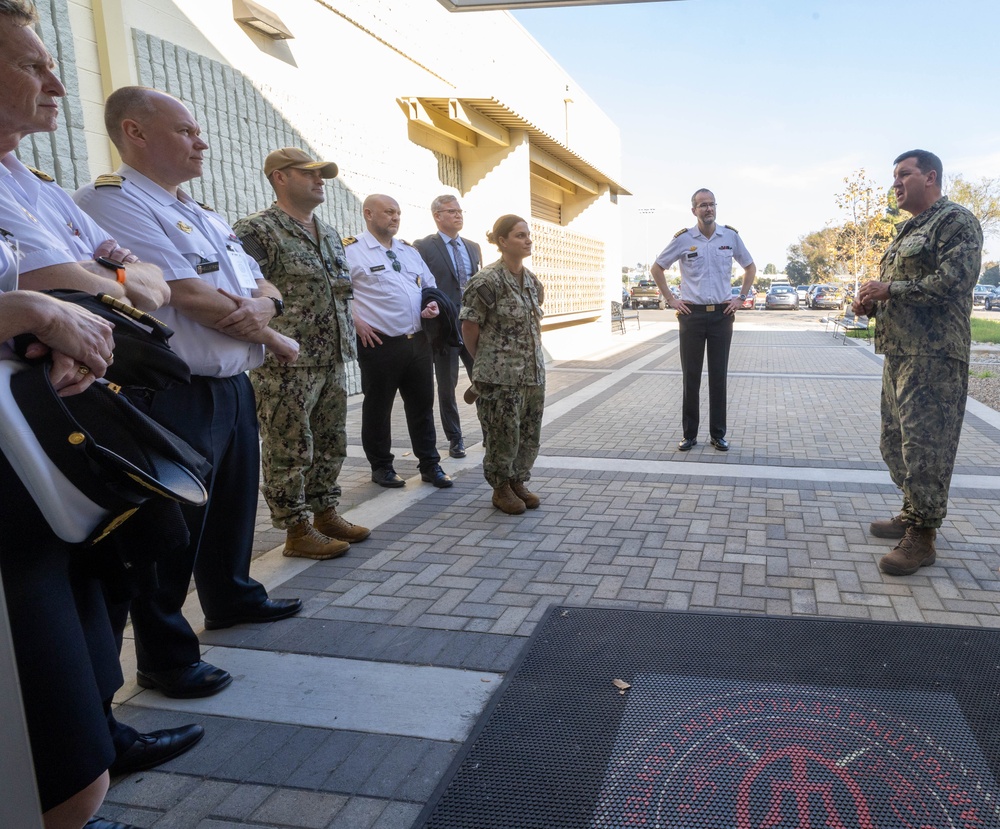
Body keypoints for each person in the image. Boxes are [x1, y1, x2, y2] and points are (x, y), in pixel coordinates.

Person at [0, 8, 200, 827]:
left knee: (86, 645)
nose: (55, 83)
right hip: (18, 466)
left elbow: (138, 280)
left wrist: (76, 297)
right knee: (50, 735)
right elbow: (76, 282)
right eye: (33, 65)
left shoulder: (32, 183)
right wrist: (38, 307)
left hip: (54, 449)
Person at [73, 87, 302, 699]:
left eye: (198, 131)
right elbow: (177, 292)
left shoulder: (201, 212)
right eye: (185, 131)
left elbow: (265, 282)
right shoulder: (110, 202)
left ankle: (229, 594)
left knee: (230, 505)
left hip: (229, 383)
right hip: (170, 391)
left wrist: (263, 309)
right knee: (170, 527)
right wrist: (261, 318)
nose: (202, 141)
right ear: (136, 132)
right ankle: (166, 657)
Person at [233, 148, 370, 560]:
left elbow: (342, 293)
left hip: (331, 357)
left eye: (322, 175)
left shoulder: (327, 233)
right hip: (286, 362)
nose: (320, 180)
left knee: (331, 440)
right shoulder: (257, 231)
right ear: (278, 177)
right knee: (288, 446)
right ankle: (296, 528)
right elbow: (246, 291)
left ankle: (325, 511)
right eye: (308, 174)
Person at [854, 150, 983, 576]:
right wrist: (871, 304)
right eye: (894, 176)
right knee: (895, 444)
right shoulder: (908, 228)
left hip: (934, 357)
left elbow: (953, 282)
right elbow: (901, 289)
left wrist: (890, 288)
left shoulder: (955, 221)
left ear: (930, 177)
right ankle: (912, 513)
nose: (895, 183)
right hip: (900, 354)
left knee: (926, 448)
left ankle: (923, 536)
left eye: (903, 175)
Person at [343, 194, 453, 489]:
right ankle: (381, 467)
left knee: (421, 407)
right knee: (378, 408)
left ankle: (430, 464)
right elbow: (340, 293)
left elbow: (430, 286)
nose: (395, 217)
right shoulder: (352, 252)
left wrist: (433, 306)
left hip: (417, 341)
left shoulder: (409, 251)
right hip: (380, 344)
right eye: (389, 212)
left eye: (398, 212)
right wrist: (356, 322)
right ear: (368, 213)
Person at [650, 189, 755, 452]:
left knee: (718, 376)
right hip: (691, 316)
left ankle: (718, 435)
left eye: (711, 205)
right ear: (694, 210)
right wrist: (672, 299)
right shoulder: (684, 239)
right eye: (702, 205)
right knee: (691, 377)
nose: (708, 209)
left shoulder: (729, 236)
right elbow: (657, 267)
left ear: (716, 208)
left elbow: (750, 267)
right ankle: (689, 434)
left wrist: (739, 298)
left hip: (722, 315)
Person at [459, 214, 545, 515]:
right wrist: (484, 364)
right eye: (520, 235)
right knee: (502, 433)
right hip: (501, 377)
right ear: (502, 241)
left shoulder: (532, 281)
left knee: (528, 433)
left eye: (528, 234)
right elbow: (469, 326)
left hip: (532, 374)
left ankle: (517, 480)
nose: (527, 239)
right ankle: (500, 488)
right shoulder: (487, 281)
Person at [413, 195, 482, 458]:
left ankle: (489, 431)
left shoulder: (473, 247)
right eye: (451, 211)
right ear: (437, 216)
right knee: (447, 386)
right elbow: (421, 284)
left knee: (483, 380)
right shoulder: (424, 247)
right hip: (445, 330)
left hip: (473, 326)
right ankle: (456, 439)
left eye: (460, 211)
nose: (458, 215)